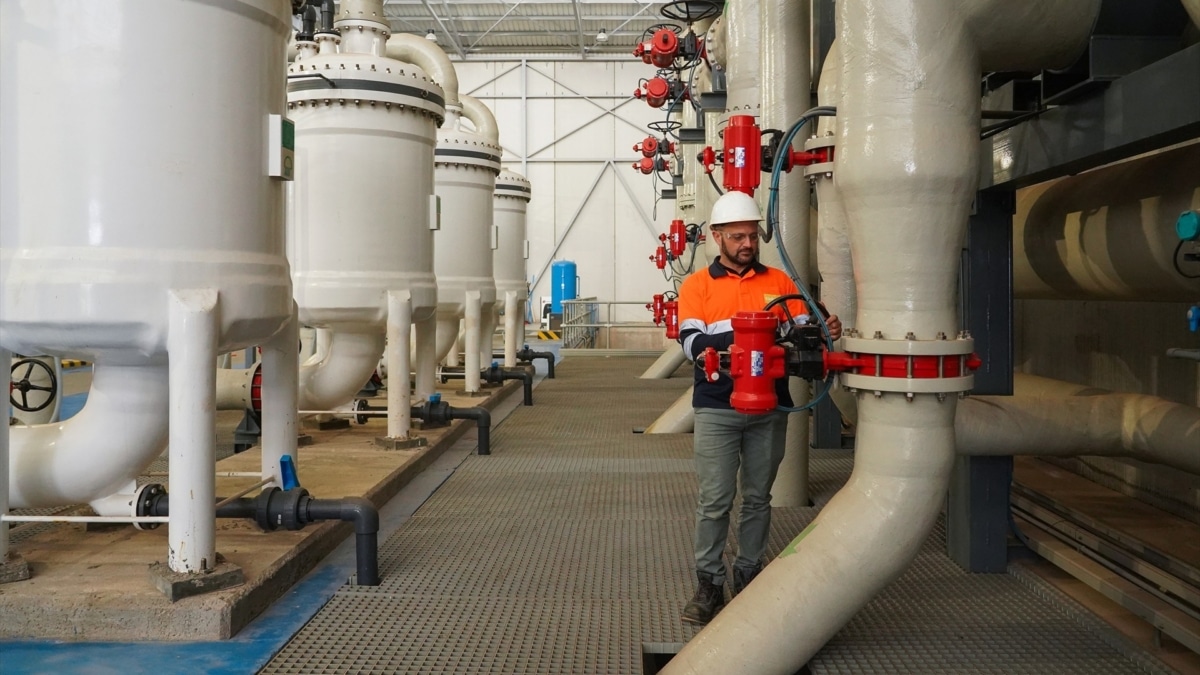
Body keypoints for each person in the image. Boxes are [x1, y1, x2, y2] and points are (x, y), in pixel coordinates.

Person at [675, 190, 842, 625]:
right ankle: (709, 583)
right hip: (716, 405)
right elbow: (692, 343)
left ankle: (748, 573)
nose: (747, 244)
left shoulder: (780, 284)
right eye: (736, 237)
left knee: (757, 498)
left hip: (771, 405)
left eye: (752, 236)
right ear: (716, 237)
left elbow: (807, 333)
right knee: (714, 500)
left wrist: (824, 329)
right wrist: (748, 340)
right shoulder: (697, 286)